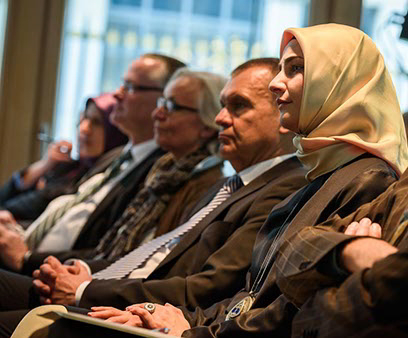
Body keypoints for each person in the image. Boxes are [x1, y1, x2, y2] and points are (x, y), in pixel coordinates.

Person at [57, 23, 408, 338]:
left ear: (338, 84)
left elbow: (297, 308)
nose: (276, 83)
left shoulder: (367, 178)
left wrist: (190, 331)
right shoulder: (321, 173)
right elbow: (254, 293)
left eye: (296, 69)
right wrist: (174, 318)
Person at [0, 57, 309, 337]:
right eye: (221, 105)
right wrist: (87, 275)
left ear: (282, 113)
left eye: (238, 106)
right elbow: (154, 254)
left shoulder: (278, 187)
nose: (220, 118)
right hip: (120, 293)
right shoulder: (228, 184)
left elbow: (208, 286)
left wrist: (85, 288)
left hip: (154, 316)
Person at [0, 53, 185, 274]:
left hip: (56, 274)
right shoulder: (115, 157)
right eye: (121, 84)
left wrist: (28, 258)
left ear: (163, 100)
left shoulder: (161, 171)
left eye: (130, 86)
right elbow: (65, 216)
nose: (117, 93)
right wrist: (17, 232)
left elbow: (110, 252)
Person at [0, 93, 128, 222]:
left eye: (97, 122)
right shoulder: (70, 167)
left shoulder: (105, 178)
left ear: (115, 129)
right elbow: (4, 198)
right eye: (84, 119)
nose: (84, 129)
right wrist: (45, 165)